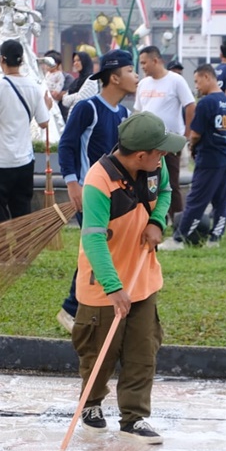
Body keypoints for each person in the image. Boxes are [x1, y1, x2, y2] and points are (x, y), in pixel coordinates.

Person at [73, 111, 179, 443]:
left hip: (143, 276)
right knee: (100, 354)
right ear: (139, 155)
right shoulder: (98, 181)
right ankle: (91, 404)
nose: (164, 156)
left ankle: (134, 416)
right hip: (102, 283)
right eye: (159, 151)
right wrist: (113, 286)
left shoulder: (154, 167)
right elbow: (92, 239)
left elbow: (165, 193)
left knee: (142, 351)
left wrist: (157, 222)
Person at [55, 49, 139, 333]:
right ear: (114, 77)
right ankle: (70, 308)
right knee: (95, 247)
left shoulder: (124, 113)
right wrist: (72, 183)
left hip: (116, 194)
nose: (136, 77)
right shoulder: (87, 108)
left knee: (108, 248)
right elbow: (66, 145)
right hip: (89, 192)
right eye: (131, 71)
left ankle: (98, 303)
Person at [160, 64, 226, 249]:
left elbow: (195, 133)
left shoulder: (206, 103)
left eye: (197, 81)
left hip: (209, 158)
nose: (196, 86)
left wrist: (192, 147)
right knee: (221, 200)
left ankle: (179, 238)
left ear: (207, 77)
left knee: (197, 199)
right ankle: (215, 238)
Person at [0, 39, 51, 227]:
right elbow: (44, 123)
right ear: (21, 60)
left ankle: (0, 254)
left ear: (2, 59)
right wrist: (48, 107)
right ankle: (22, 254)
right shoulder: (34, 87)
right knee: (22, 211)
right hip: (24, 160)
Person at [135, 45, 196, 224]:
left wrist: (186, 135)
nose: (143, 67)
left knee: (171, 184)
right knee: (146, 182)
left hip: (169, 142)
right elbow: (138, 111)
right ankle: (149, 219)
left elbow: (191, 105)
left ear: (156, 60)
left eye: (144, 63)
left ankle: (177, 221)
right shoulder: (143, 84)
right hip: (146, 143)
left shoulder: (175, 80)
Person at [60, 51, 100, 118]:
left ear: (85, 61)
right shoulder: (76, 81)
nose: (75, 63)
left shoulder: (91, 79)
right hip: (72, 118)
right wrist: (77, 95)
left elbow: (81, 100)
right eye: (74, 61)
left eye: (78, 60)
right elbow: (65, 102)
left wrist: (72, 97)